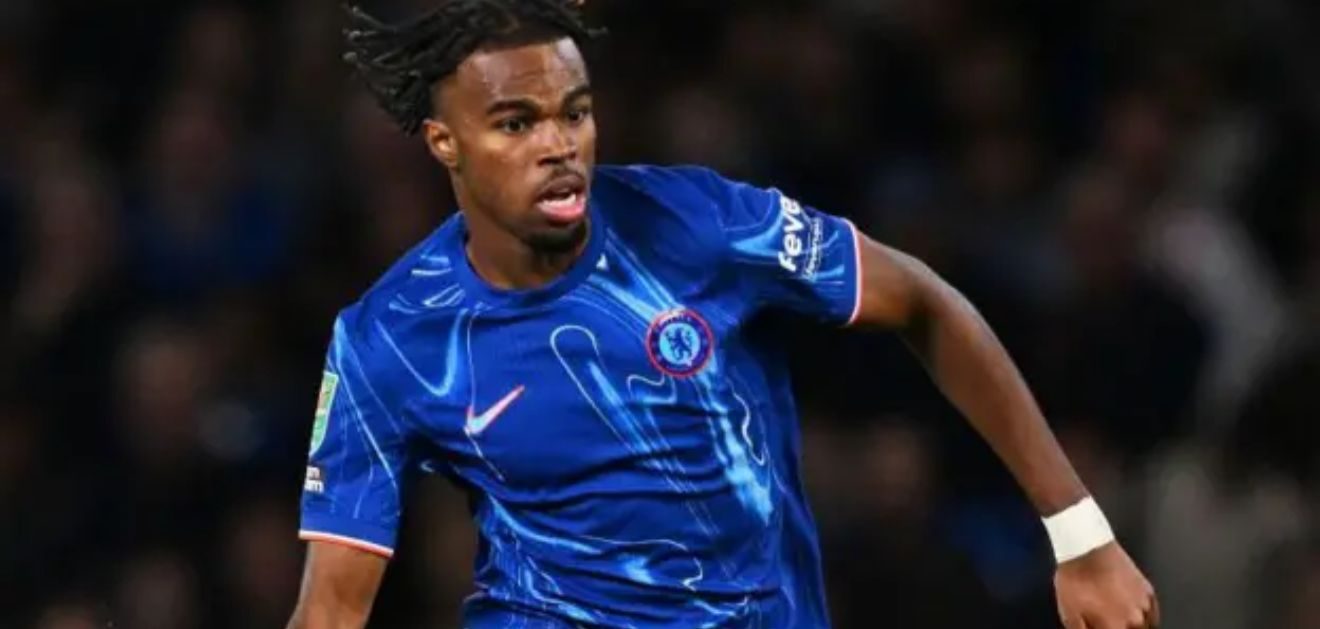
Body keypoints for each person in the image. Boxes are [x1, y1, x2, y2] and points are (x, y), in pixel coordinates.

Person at [287, 1, 1159, 627]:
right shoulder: (388, 337)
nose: (558, 145)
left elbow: (924, 301)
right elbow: (332, 602)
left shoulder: (700, 225)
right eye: (515, 124)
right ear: (445, 142)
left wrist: (1081, 535)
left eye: (575, 113)